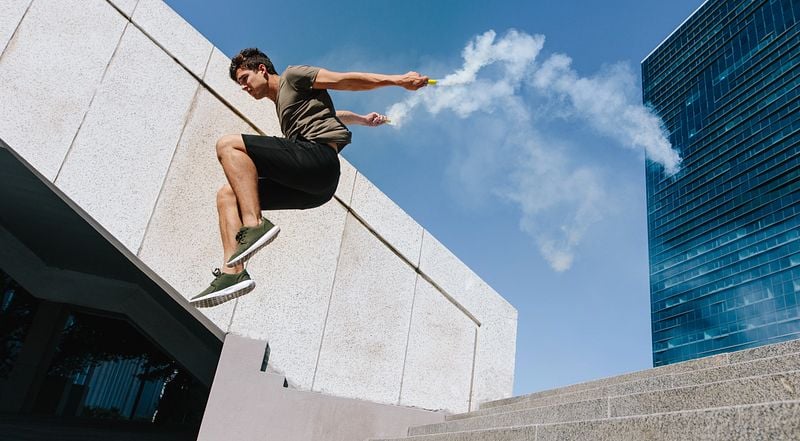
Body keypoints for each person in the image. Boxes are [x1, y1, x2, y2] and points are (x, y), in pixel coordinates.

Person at [190, 48, 429, 307]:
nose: (244, 88)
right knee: (226, 195)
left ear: (261, 69)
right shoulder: (285, 105)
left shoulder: (294, 76)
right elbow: (331, 116)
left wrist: (399, 80)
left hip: (318, 161)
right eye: (240, 84)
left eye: (245, 78)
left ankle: (255, 224)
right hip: (315, 190)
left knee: (228, 145)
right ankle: (233, 274)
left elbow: (345, 80)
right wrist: (362, 119)